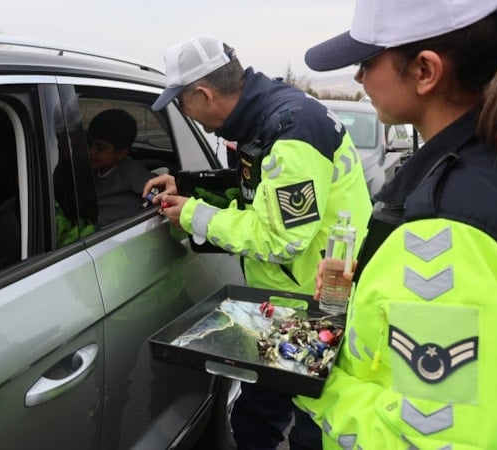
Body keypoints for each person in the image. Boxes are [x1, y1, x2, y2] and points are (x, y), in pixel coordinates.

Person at [295, 0, 497, 448]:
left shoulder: (447, 230)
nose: (359, 79)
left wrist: (310, 376)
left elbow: (428, 439)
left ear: (425, 71)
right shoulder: (490, 164)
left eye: (366, 62)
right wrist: (367, 292)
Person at [144, 35, 372, 450]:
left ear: (204, 94)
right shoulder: (266, 118)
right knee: (258, 414)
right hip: (285, 302)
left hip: (316, 308)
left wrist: (193, 215)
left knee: (308, 427)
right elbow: (259, 194)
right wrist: (189, 189)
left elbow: (281, 238)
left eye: (181, 102)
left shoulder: (292, 132)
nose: (184, 112)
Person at [88, 108, 152, 226]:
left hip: (122, 229)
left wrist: (143, 209)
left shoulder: (131, 171)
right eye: (89, 144)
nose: (91, 152)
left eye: (100, 148)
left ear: (121, 153)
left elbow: (156, 190)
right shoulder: (90, 171)